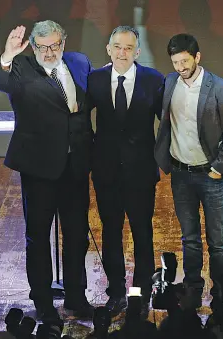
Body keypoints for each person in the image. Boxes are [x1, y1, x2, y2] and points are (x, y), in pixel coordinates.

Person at [0, 20, 94, 321]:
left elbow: (86, 104)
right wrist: (7, 55)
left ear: (64, 43)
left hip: (75, 168)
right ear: (33, 46)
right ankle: (44, 303)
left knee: (76, 237)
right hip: (39, 170)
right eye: (43, 46)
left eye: (55, 45)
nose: (49, 52)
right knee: (38, 238)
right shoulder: (19, 69)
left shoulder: (79, 62)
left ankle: (76, 297)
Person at [155, 33, 223, 312]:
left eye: (185, 61)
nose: (180, 67)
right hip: (181, 174)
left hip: (210, 175)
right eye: (176, 62)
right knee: (189, 238)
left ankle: (222, 291)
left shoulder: (219, 88)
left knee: (217, 241)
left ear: (197, 57)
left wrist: (218, 169)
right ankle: (193, 287)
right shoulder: (170, 83)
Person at [86, 26, 164, 318]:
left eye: (128, 48)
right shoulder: (94, 80)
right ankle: (117, 293)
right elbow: (80, 118)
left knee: (143, 233)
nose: (122, 53)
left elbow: (166, 123)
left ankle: (138, 295)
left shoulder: (153, 80)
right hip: (106, 173)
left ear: (137, 52)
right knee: (111, 234)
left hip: (141, 173)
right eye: (117, 47)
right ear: (108, 49)